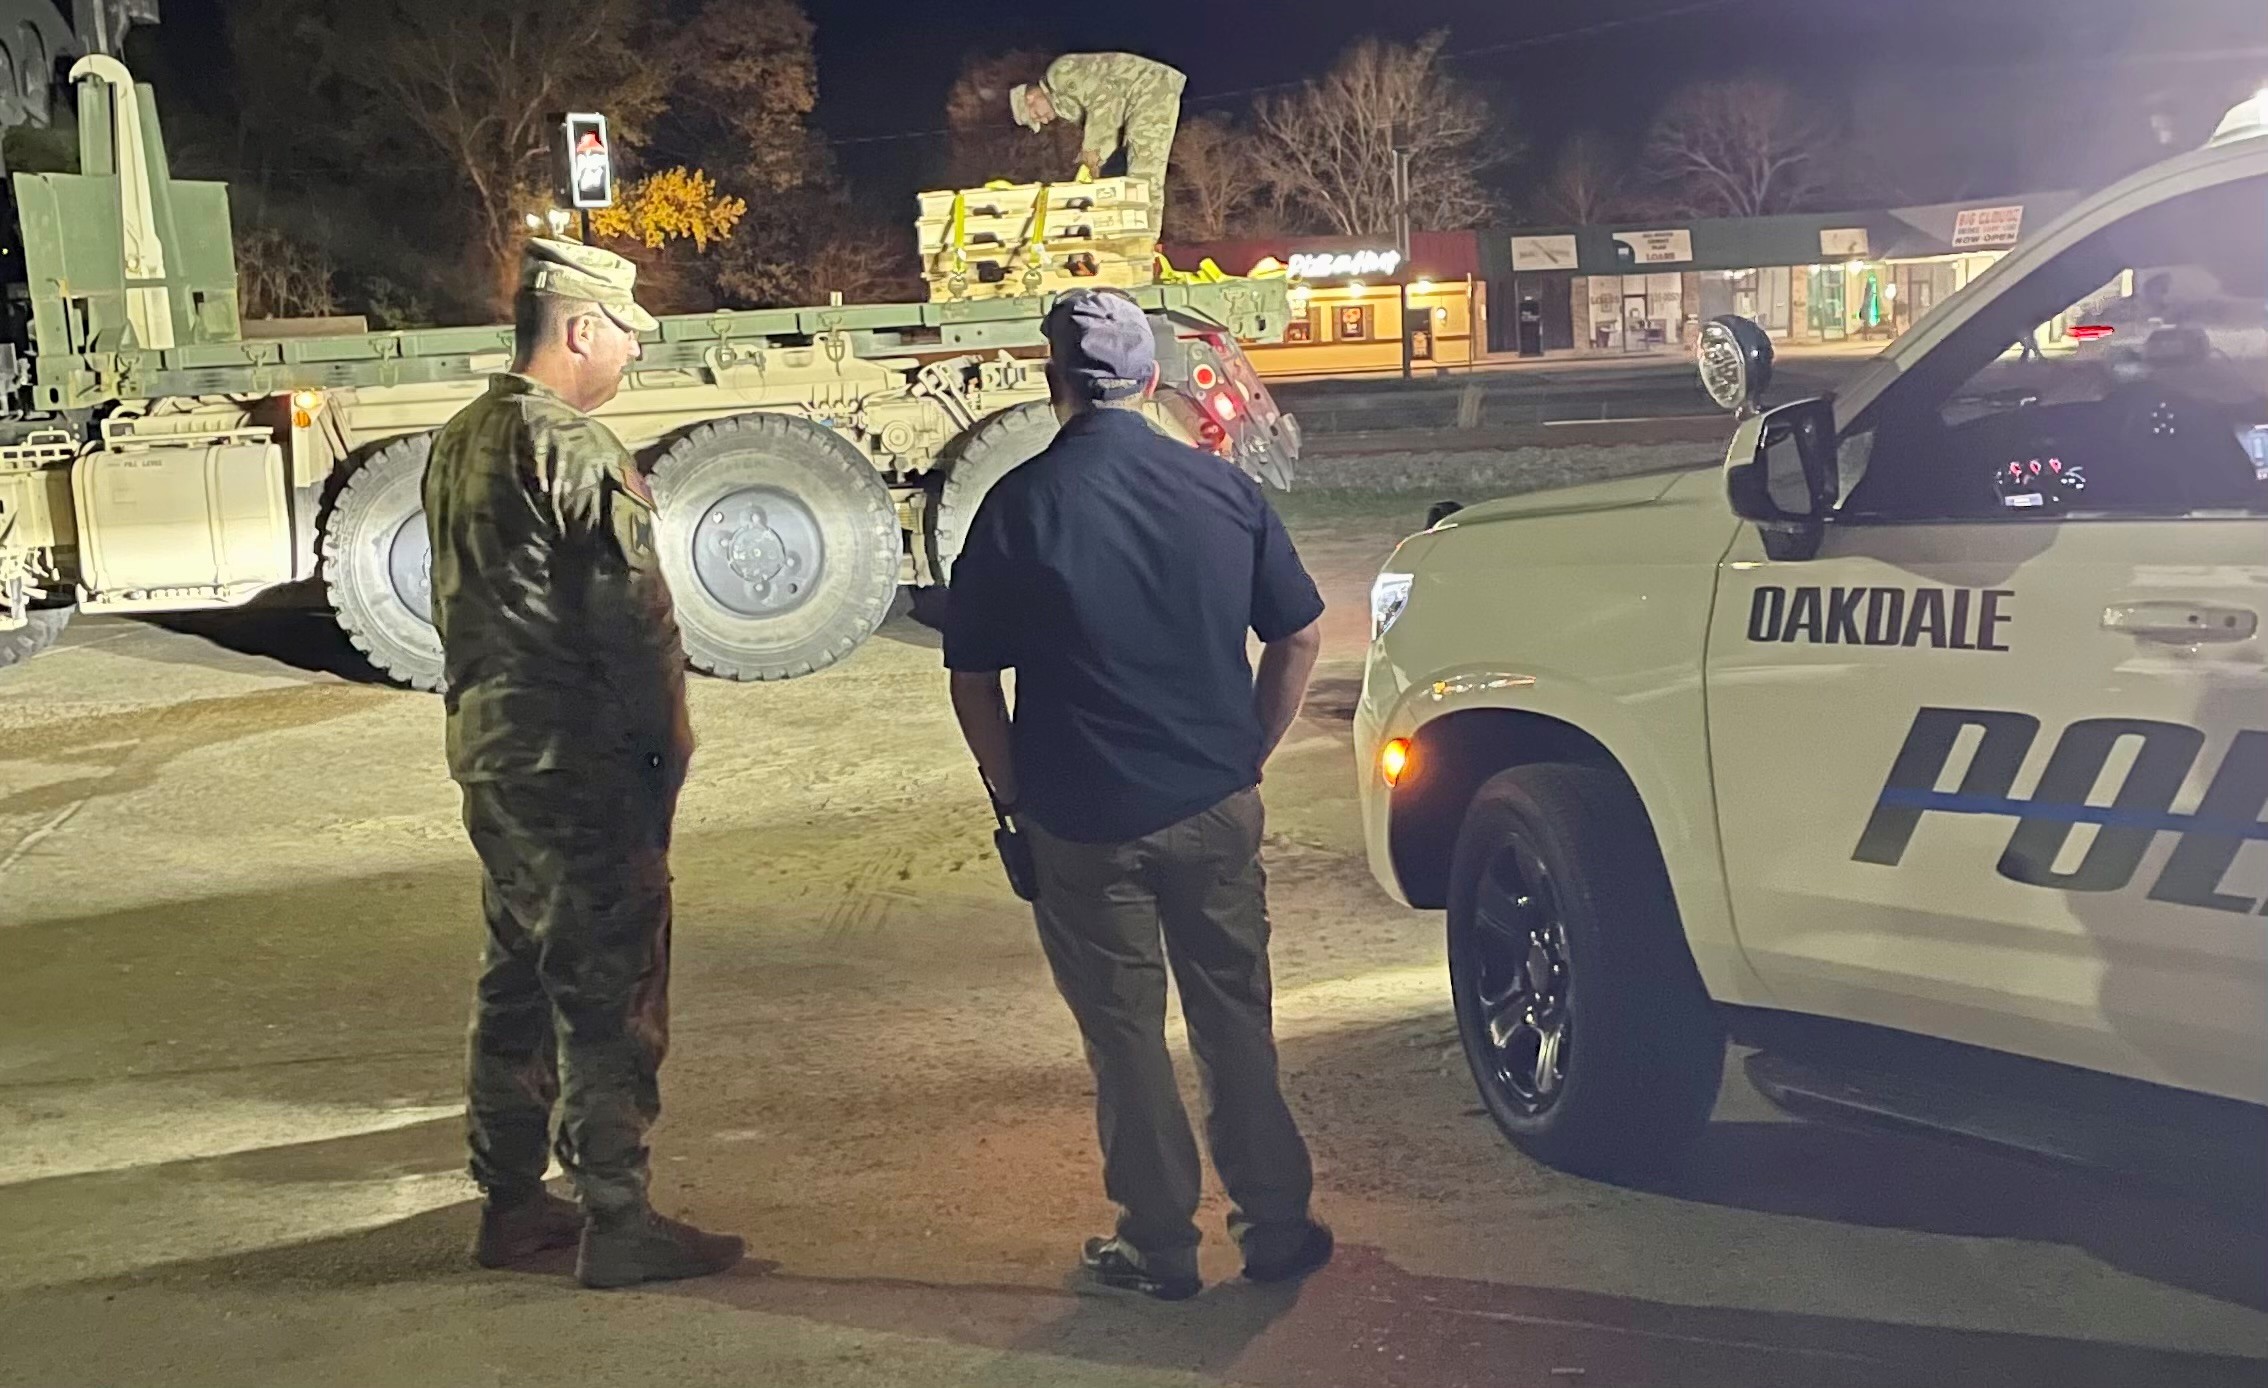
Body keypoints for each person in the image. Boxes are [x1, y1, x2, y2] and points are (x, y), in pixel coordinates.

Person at [944, 287, 1333, 1302]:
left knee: (1123, 1033)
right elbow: (1298, 634)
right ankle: (1276, 1225)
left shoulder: (1017, 505)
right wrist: (1249, 749)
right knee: (1233, 1016)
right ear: (1153, 379)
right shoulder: (1224, 491)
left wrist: (1015, 790)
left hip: (1080, 816)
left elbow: (973, 680)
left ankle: (1160, 1243)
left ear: (1053, 381)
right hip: (1212, 800)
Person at [424, 238, 744, 1291]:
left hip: (493, 754)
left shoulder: (458, 440)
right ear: (577, 328)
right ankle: (618, 1216)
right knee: (608, 986)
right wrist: (668, 756)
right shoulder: (575, 450)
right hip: (580, 759)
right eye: (623, 336)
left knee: (515, 970)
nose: (628, 359)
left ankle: (510, 1201)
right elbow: (635, 627)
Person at [1010, 52, 1187, 215]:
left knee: (1145, 174)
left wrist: (1093, 151)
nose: (1044, 120)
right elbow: (1106, 126)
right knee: (1136, 177)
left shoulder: (1059, 74)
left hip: (1148, 87)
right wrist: (1094, 163)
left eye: (1035, 115)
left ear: (1030, 98)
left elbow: (1106, 100)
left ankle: (1144, 239)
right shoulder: (1066, 107)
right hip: (1138, 99)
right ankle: (1138, 233)